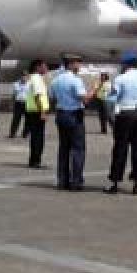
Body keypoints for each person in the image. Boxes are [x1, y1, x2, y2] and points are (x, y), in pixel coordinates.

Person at [103, 53, 137, 195]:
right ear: (136, 64)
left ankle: (114, 182)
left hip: (125, 114)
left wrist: (111, 119)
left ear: (125, 65)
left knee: (120, 149)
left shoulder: (120, 79)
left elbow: (111, 101)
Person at [50, 54, 97, 190]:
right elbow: (85, 100)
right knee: (78, 149)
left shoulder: (56, 80)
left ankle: (62, 180)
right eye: (77, 63)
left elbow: (52, 97)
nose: (79, 65)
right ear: (70, 64)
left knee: (63, 148)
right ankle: (76, 181)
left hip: (61, 114)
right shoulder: (75, 80)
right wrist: (94, 89)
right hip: (74, 114)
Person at [24, 60, 50, 168]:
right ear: (37, 67)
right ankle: (36, 161)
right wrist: (43, 112)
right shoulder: (36, 78)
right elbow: (37, 96)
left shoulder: (33, 78)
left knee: (35, 137)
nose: (46, 68)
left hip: (33, 111)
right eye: (44, 66)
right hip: (37, 111)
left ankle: (33, 160)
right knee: (38, 138)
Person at [8, 72, 29, 139]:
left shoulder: (30, 84)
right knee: (16, 119)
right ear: (21, 76)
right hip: (18, 103)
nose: (24, 77)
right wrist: (11, 103)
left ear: (27, 77)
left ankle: (25, 134)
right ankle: (12, 133)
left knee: (28, 120)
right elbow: (14, 95)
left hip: (27, 103)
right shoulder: (16, 84)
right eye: (23, 76)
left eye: (25, 76)